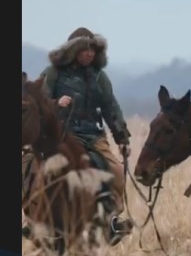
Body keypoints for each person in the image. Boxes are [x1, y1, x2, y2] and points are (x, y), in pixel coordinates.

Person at [23, 27, 134, 244]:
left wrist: (122, 139)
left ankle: (111, 221)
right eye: (85, 50)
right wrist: (57, 103)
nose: (90, 54)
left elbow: (111, 108)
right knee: (35, 168)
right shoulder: (53, 73)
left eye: (92, 50)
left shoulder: (100, 77)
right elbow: (39, 104)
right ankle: (34, 220)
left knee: (116, 171)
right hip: (61, 134)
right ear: (73, 51)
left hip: (93, 136)